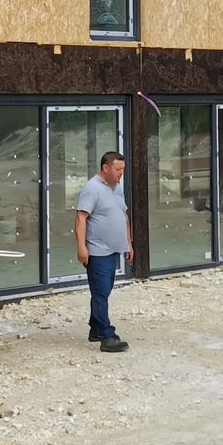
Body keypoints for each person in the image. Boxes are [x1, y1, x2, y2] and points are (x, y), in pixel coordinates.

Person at [76, 151, 133, 353]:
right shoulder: (92, 189)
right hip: (97, 251)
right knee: (100, 293)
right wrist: (82, 247)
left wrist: (129, 243)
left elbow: (123, 216)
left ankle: (95, 329)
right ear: (105, 167)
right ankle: (107, 336)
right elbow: (81, 218)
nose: (121, 174)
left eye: (123, 170)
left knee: (104, 291)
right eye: (118, 169)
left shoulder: (117, 188)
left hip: (114, 250)